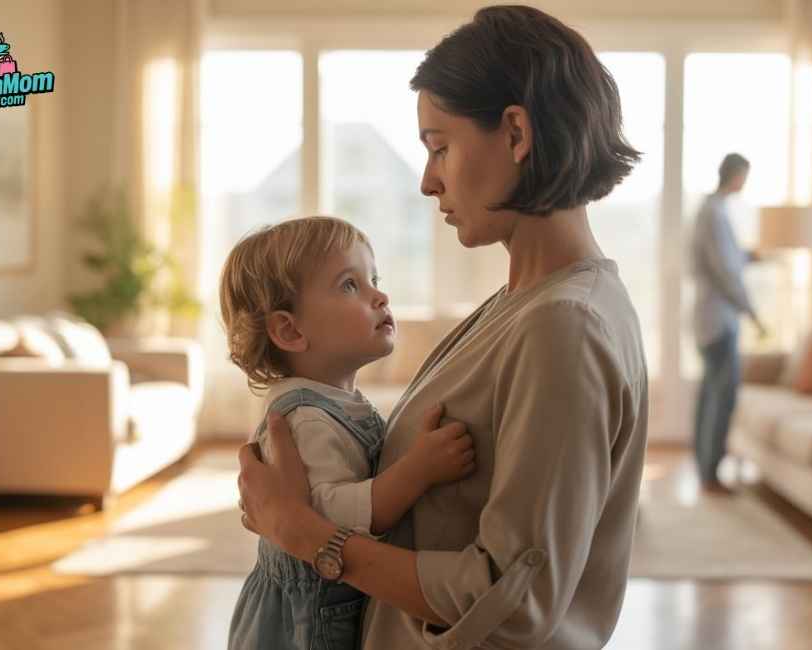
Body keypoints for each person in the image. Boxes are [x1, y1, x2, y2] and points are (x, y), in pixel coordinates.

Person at [236, 6, 650, 649]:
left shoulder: (564, 326)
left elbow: (514, 603)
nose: (429, 181)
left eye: (440, 147)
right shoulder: (523, 302)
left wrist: (302, 533)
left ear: (516, 133)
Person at [219, 216, 476, 650]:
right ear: (290, 330)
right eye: (349, 285)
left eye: (372, 278)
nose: (380, 295)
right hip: (305, 624)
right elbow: (327, 513)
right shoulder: (305, 419)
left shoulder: (336, 402)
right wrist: (418, 470)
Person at [690, 153, 767, 494]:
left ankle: (704, 466)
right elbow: (726, 273)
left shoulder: (710, 212)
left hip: (710, 317)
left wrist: (747, 256)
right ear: (736, 175)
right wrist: (754, 313)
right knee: (723, 396)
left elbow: (724, 260)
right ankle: (710, 473)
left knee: (710, 392)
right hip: (719, 320)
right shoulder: (714, 214)